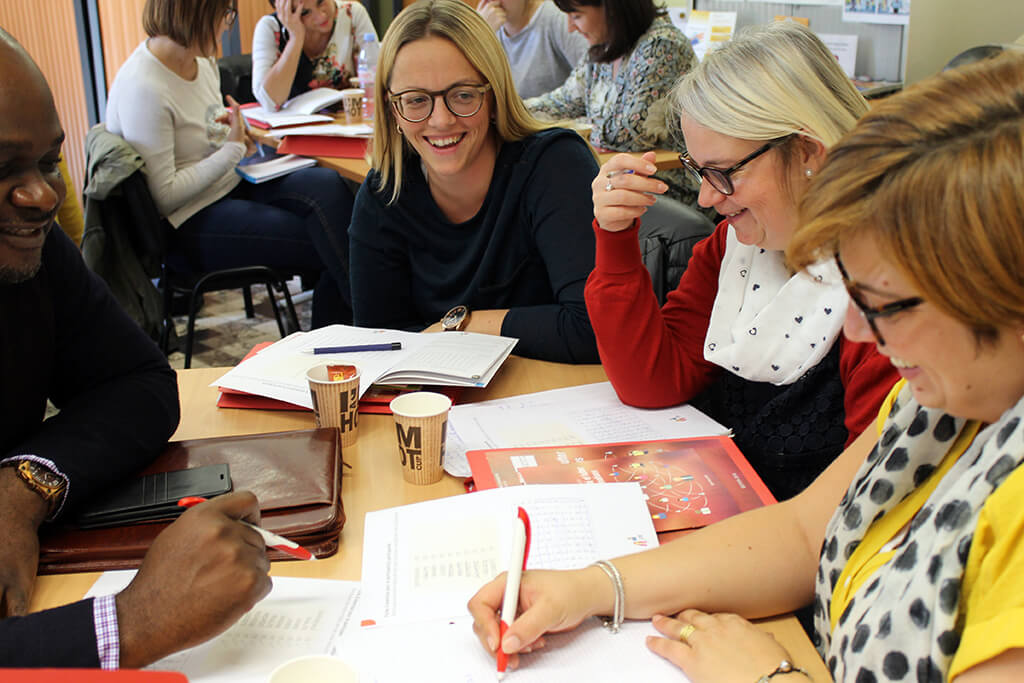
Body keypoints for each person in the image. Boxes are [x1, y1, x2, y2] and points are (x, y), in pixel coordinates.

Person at [470, 50, 1024, 683]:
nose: (856, 328)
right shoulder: (940, 400)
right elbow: (800, 534)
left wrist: (770, 676)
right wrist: (590, 588)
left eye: (886, 303)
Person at [0, 29, 271, 668]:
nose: (44, 196)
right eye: (2, 167)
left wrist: (22, 487)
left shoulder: (32, 262)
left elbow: (141, 383)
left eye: (47, 162)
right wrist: (131, 623)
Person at [585, 22, 899, 500]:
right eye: (697, 170)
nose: (708, 198)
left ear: (808, 152)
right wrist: (614, 237)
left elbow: (861, 507)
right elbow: (652, 380)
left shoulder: (893, 290)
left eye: (724, 173)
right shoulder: (738, 246)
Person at [349, 0, 600, 364]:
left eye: (463, 95)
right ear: (393, 111)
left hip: (556, 401)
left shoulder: (555, 165)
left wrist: (453, 327)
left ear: (494, 95)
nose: (440, 120)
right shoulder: (382, 194)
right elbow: (381, 347)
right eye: (416, 100)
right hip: (438, 407)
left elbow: (592, 329)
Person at [105, 0, 355, 327]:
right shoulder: (145, 87)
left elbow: (206, 134)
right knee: (327, 240)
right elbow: (163, 197)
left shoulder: (201, 60)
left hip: (229, 185)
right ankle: (366, 324)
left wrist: (232, 130)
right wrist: (232, 150)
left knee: (329, 187)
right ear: (194, 13)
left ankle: (364, 319)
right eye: (224, 15)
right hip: (186, 222)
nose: (228, 25)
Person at [524, 0, 697, 205]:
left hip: (665, 191)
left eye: (577, 16)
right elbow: (562, 103)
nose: (570, 27)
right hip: (616, 184)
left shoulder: (662, 45)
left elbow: (625, 137)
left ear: (612, 9)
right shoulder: (604, 48)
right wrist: (510, 110)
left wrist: (583, 125)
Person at [252, 0, 378, 111]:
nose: (321, 16)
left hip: (348, 124)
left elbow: (379, 77)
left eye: (321, 1)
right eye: (305, 12)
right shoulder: (270, 28)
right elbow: (269, 102)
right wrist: (295, 38)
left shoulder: (352, 14)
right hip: (291, 132)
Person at [475, 0, 587, 99]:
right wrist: (480, 35)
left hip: (555, 119)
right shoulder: (489, 26)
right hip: (519, 119)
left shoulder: (556, 17)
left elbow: (590, 77)